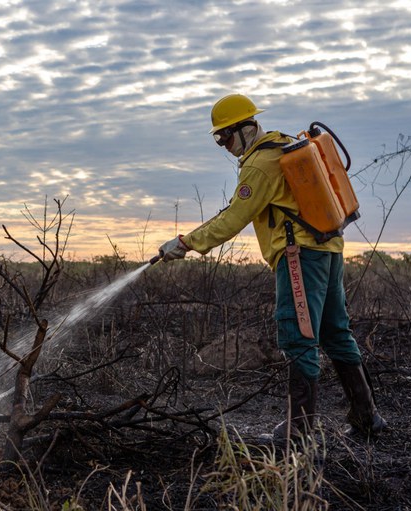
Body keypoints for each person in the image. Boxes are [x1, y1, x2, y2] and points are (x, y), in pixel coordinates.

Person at [157, 94, 387, 443]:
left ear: (246, 127)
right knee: (336, 332)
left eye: (225, 137)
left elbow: (234, 217)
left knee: (298, 335)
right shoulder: (284, 146)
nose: (224, 145)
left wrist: (186, 243)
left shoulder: (260, 164)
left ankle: (299, 430)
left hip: (299, 257)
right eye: (218, 139)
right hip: (329, 250)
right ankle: (366, 417)